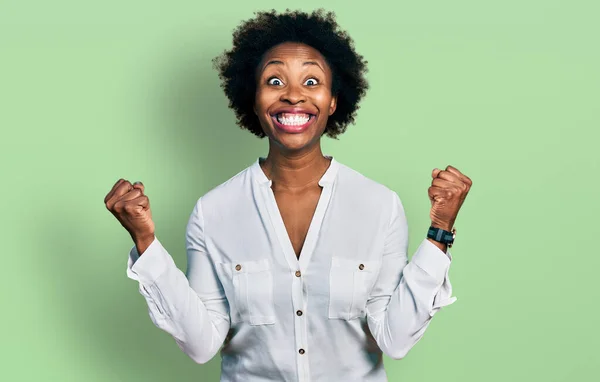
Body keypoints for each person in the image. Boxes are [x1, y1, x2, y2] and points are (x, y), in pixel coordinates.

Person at [104, 9, 472, 382]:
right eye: (275, 80)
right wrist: (146, 243)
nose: (293, 95)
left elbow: (394, 340)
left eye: (311, 81)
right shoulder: (212, 212)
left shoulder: (379, 206)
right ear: (254, 99)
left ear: (332, 101)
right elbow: (201, 344)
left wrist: (440, 231)